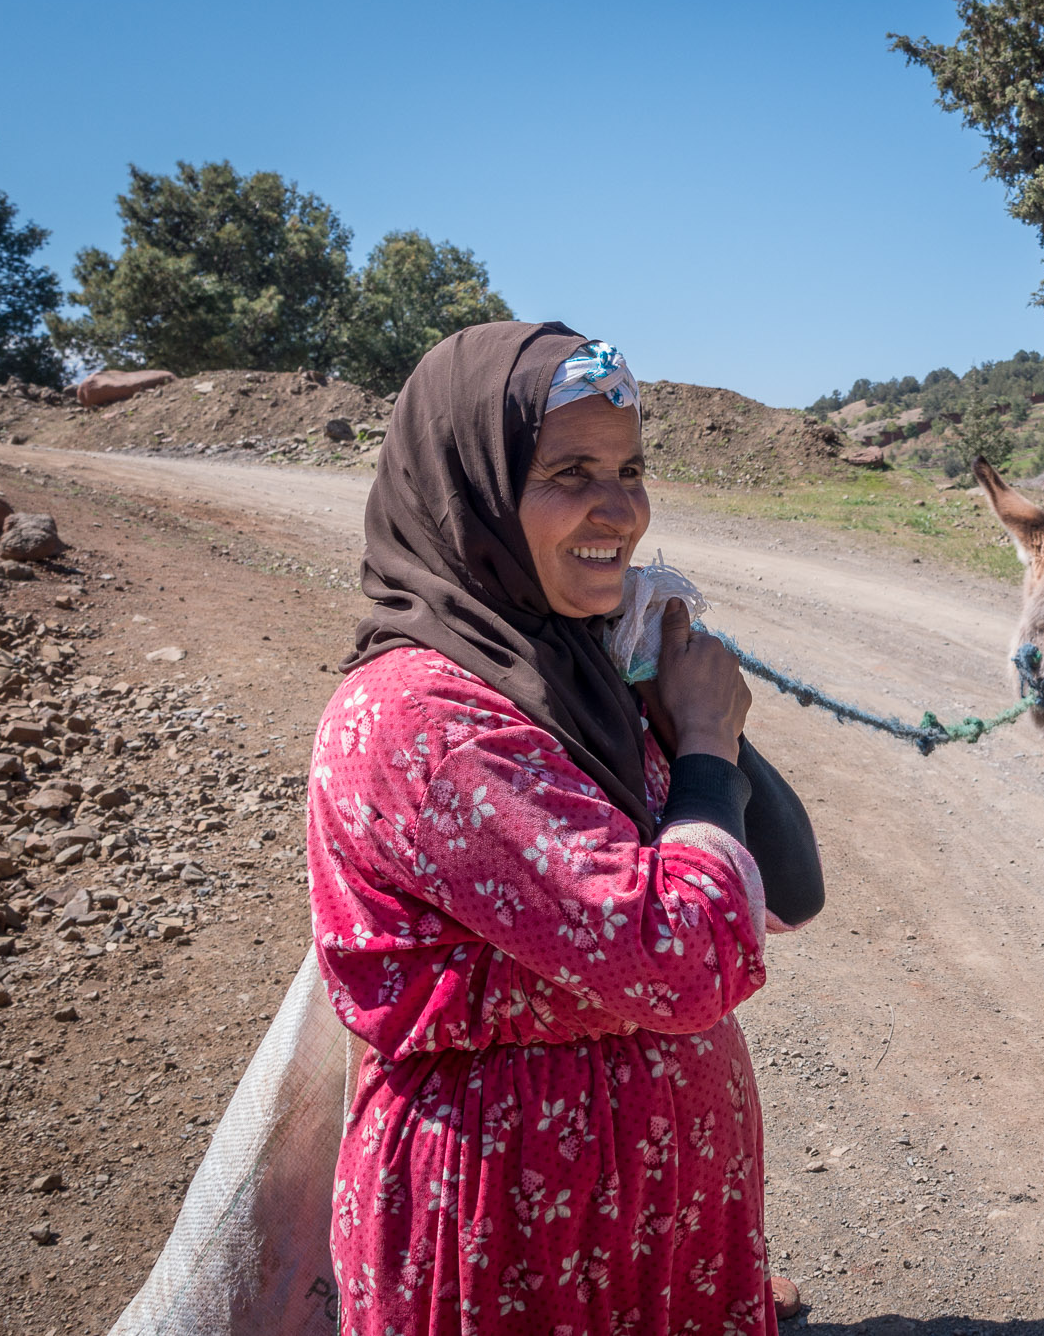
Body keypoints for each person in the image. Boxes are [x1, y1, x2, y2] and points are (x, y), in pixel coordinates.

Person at [307, 321, 797, 1335]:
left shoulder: (571, 678)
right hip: (507, 1225)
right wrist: (701, 739)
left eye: (630, 469)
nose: (619, 508)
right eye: (569, 472)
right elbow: (686, 957)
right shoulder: (425, 718)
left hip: (657, 1214)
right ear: (473, 492)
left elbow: (788, 891)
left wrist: (685, 713)